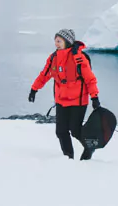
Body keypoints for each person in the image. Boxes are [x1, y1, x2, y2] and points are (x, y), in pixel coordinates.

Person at [29, 29, 101, 160]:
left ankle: (89, 146)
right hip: (61, 100)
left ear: (67, 42)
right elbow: (44, 75)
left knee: (75, 130)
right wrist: (34, 89)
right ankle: (68, 158)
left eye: (59, 41)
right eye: (55, 40)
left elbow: (90, 79)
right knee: (61, 131)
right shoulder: (53, 58)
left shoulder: (79, 58)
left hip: (78, 101)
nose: (56, 43)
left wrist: (94, 97)